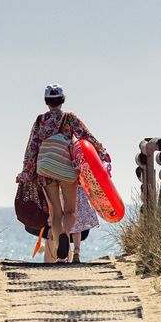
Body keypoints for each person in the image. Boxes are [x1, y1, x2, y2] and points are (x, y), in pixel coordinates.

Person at [17, 84, 110, 261]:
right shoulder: (69, 118)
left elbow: (32, 147)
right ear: (63, 100)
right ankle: (65, 234)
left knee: (56, 214)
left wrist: (26, 172)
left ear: (46, 102)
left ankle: (60, 247)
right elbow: (86, 136)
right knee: (70, 212)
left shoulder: (40, 121)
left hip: (46, 169)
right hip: (66, 169)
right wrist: (102, 152)